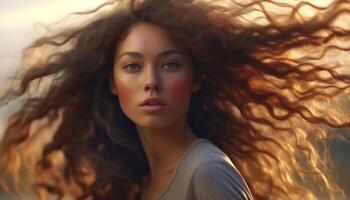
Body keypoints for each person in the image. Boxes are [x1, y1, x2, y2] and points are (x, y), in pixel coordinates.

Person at [0, 0, 349, 199]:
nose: (151, 82)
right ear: (111, 81)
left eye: (169, 64)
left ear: (195, 79)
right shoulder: (140, 180)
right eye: (133, 66)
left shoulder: (207, 172)